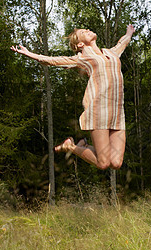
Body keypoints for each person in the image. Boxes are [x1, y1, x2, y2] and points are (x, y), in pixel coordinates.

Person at [11, 25, 135, 170]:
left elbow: (123, 43)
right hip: (99, 110)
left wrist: (129, 32)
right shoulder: (82, 58)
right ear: (80, 44)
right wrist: (30, 54)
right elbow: (53, 61)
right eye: (84, 32)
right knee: (103, 163)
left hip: (117, 112)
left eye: (87, 29)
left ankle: (81, 145)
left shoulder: (112, 53)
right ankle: (70, 146)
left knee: (116, 163)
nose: (88, 30)